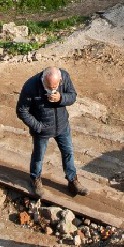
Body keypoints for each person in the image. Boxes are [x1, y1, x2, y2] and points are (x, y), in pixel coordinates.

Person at [15, 66, 87, 198]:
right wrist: (38, 127)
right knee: (38, 156)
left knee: (68, 152)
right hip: (42, 129)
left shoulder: (64, 77)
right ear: (43, 80)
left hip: (62, 126)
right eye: (49, 88)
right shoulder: (31, 85)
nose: (52, 90)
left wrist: (61, 98)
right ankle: (35, 179)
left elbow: (72, 96)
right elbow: (22, 111)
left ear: (60, 79)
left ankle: (73, 180)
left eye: (55, 87)